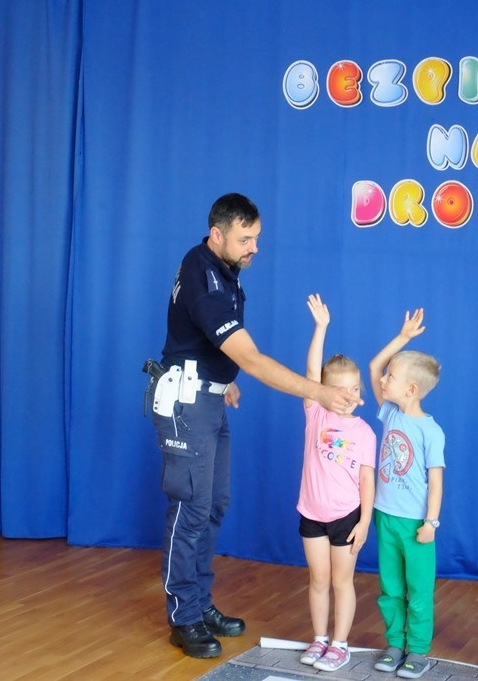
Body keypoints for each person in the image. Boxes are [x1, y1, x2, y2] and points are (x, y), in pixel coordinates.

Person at [151, 193, 363, 659]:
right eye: (246, 239)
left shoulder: (221, 268)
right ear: (217, 235)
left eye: (257, 238)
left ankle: (199, 603)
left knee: (214, 505)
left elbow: (201, 341)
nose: (255, 248)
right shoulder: (205, 278)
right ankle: (183, 617)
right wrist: (319, 392)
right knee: (191, 509)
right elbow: (251, 358)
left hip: (207, 396)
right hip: (186, 404)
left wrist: (222, 379)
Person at [296, 293, 377, 673]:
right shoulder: (315, 413)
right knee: (318, 578)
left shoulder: (364, 432)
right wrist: (321, 327)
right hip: (312, 513)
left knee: (342, 581)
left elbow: (366, 477)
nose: (349, 396)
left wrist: (365, 521)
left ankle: (340, 643)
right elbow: (311, 373)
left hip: (347, 516)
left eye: (355, 389)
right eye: (341, 390)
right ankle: (320, 638)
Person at [368, 309, 445, 679]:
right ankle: (395, 644)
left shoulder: (431, 431)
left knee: (418, 590)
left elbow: (436, 482)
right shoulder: (390, 413)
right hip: (385, 516)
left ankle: (418, 650)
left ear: (411, 390)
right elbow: (373, 366)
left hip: (416, 525)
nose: (383, 380)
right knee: (390, 587)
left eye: (392, 377)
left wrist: (431, 522)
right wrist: (402, 338)